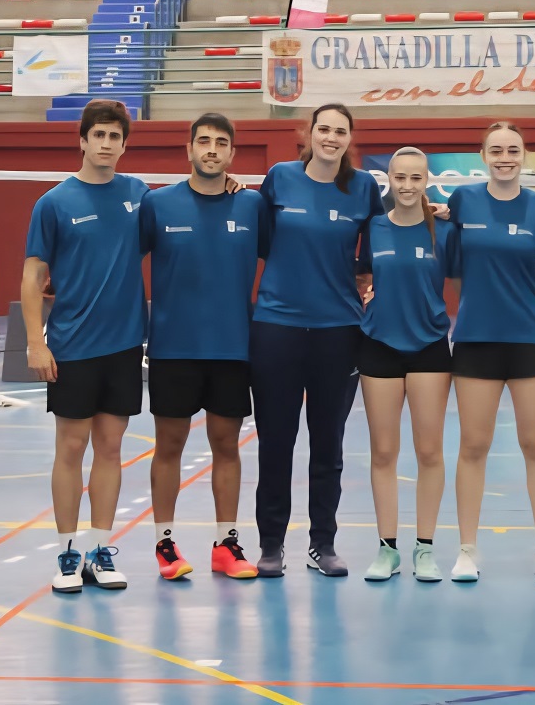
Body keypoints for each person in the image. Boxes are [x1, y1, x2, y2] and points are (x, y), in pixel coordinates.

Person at [251, 103, 384, 577]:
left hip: (338, 332)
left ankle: (322, 544)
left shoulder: (363, 187)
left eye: (340, 131)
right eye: (323, 129)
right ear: (309, 134)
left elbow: (381, 245)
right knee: (276, 442)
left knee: (328, 445)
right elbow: (260, 239)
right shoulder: (279, 178)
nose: (331, 137)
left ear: (350, 139)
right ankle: (271, 545)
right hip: (277, 327)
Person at [23, 100, 148, 593]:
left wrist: (230, 187)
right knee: (71, 447)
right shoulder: (54, 203)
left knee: (111, 448)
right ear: (82, 140)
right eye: (98, 134)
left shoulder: (139, 195)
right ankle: (68, 554)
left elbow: (188, 209)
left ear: (124, 144)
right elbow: (33, 277)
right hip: (72, 346)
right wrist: (36, 342)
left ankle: (100, 551)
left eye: (115, 136)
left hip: (124, 345)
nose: (106, 143)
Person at [447, 122, 535, 584]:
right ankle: (466, 550)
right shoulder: (463, 201)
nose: (505, 158)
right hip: (476, 339)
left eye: (513, 150)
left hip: (530, 339)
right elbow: (454, 269)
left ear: (523, 155)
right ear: (483, 155)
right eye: (497, 150)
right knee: (473, 445)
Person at [141, 113, 269, 581]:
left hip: (232, 348)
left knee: (226, 446)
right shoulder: (158, 204)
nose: (211, 149)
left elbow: (283, 261)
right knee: (169, 446)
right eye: (203, 141)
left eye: (220, 142)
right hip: (173, 348)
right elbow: (121, 260)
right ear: (189, 149)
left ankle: (225, 545)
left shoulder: (252, 205)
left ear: (232, 153)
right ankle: (165, 544)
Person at [357, 147, 461, 583]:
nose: (406, 185)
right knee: (383, 452)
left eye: (415, 178)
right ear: (389, 179)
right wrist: (365, 294)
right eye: (399, 177)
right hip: (379, 345)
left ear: (426, 182)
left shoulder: (444, 231)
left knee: (429, 452)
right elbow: (361, 275)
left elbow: (468, 276)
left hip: (429, 348)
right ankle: (387, 550)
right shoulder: (374, 228)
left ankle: (425, 548)